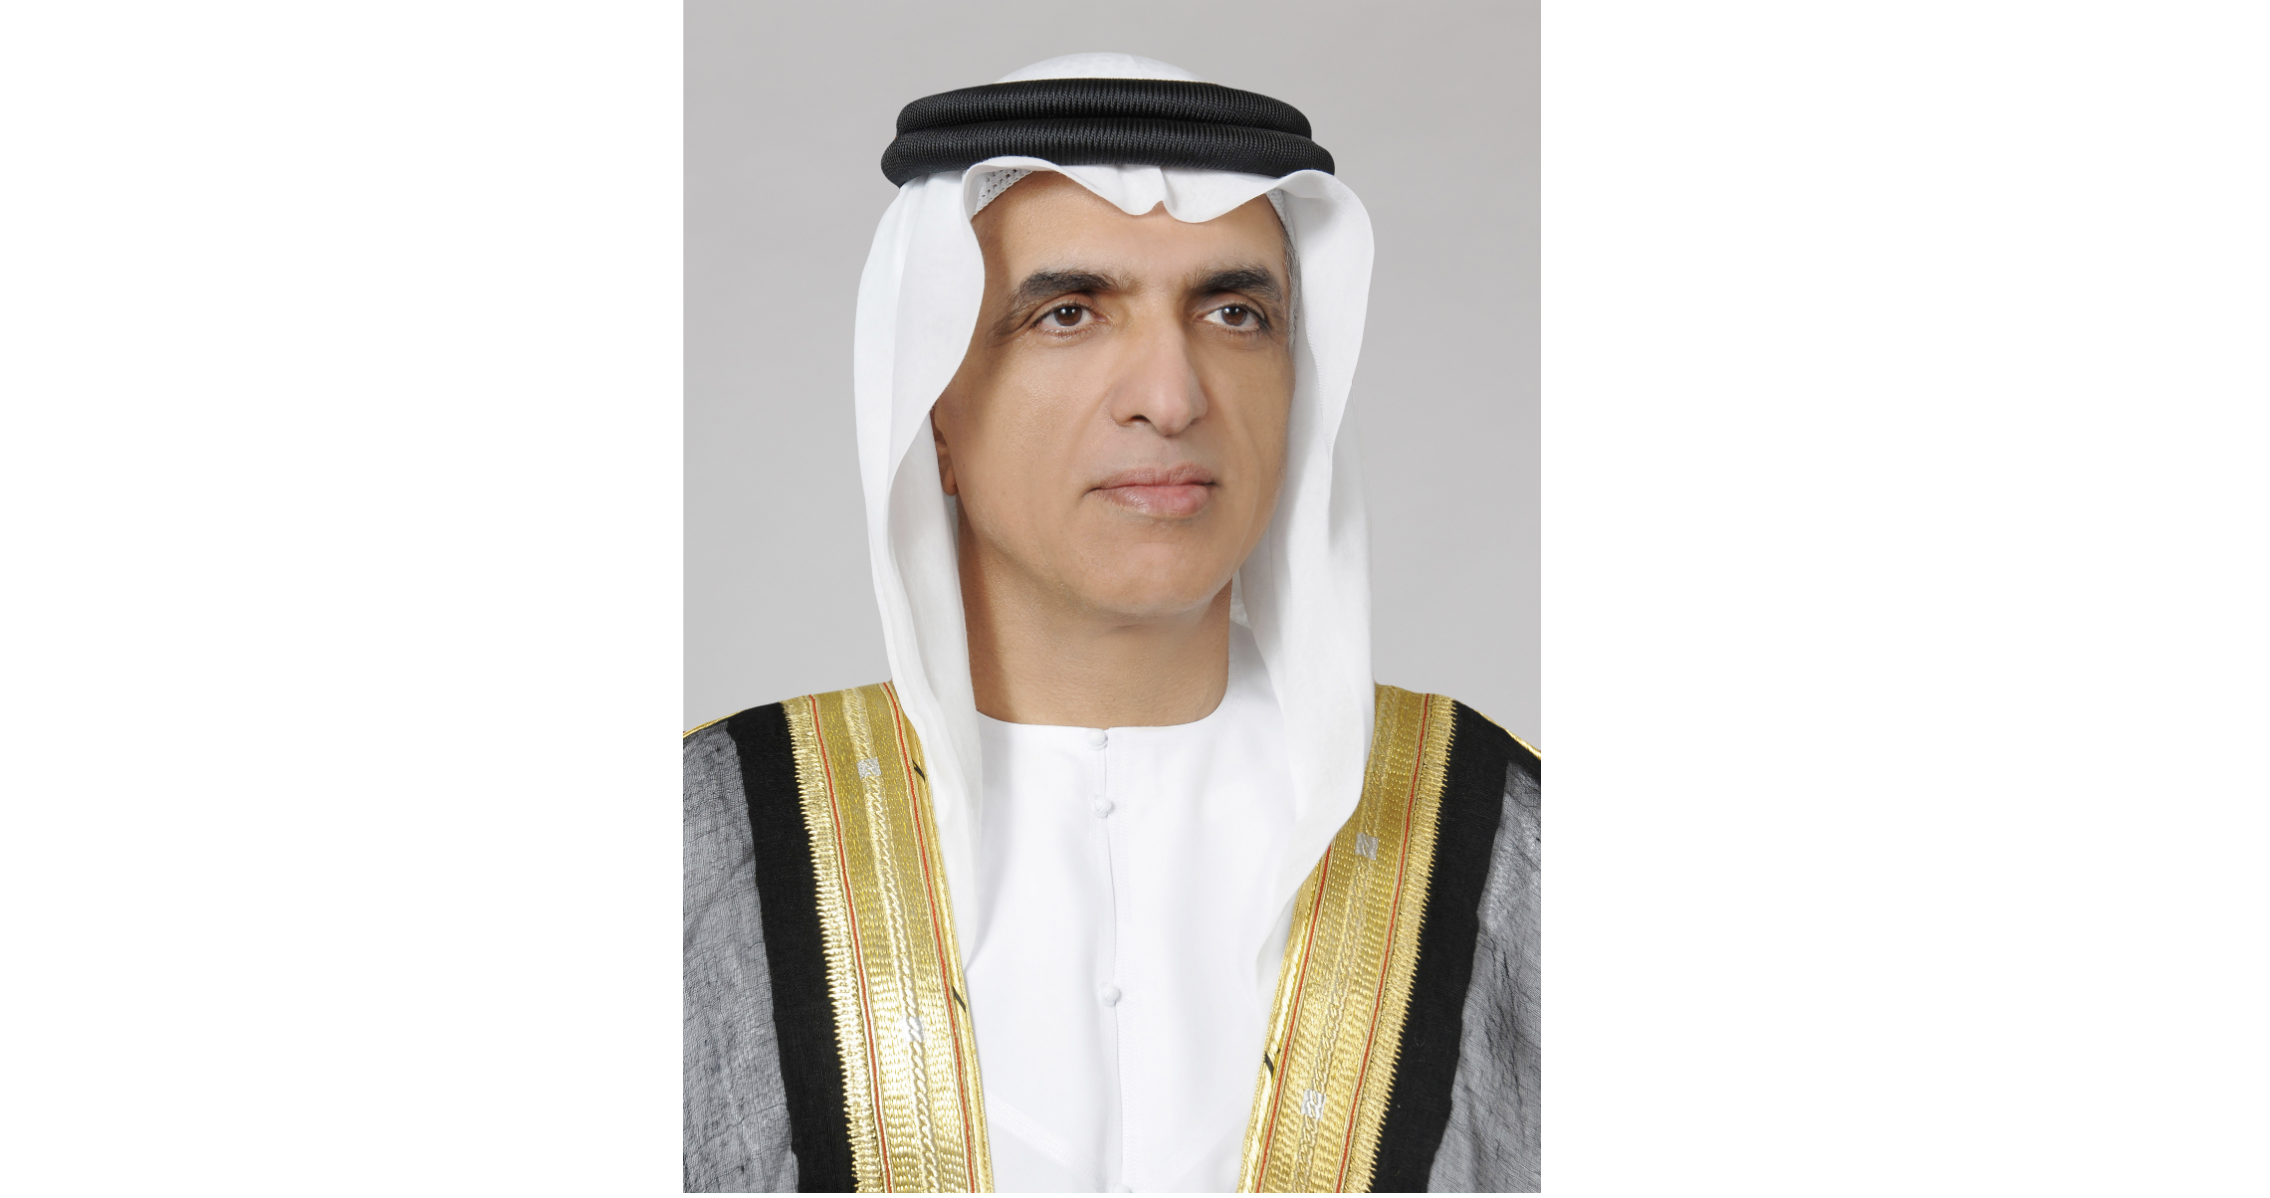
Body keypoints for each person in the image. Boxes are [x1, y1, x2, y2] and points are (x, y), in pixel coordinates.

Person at [684, 53, 1539, 1194]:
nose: (1170, 398)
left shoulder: (1499, 834)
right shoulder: (708, 841)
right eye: (1068, 314)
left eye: (1233, 314)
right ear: (932, 411)